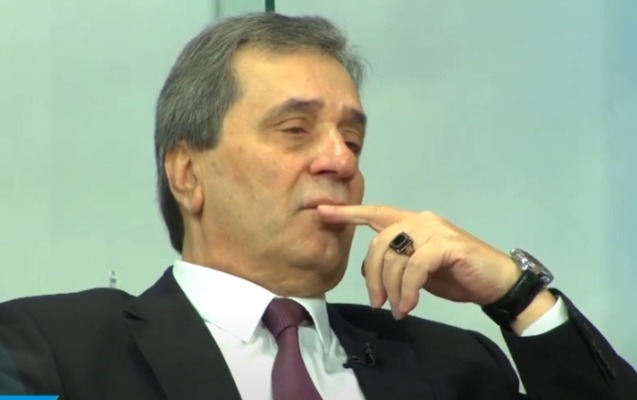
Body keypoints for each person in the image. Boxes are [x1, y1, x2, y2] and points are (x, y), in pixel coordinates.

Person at [0, 12, 635, 400]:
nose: (341, 161)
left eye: (352, 139)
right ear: (188, 174)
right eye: (295, 129)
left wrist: (517, 296)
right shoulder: (53, 348)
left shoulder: (454, 367)